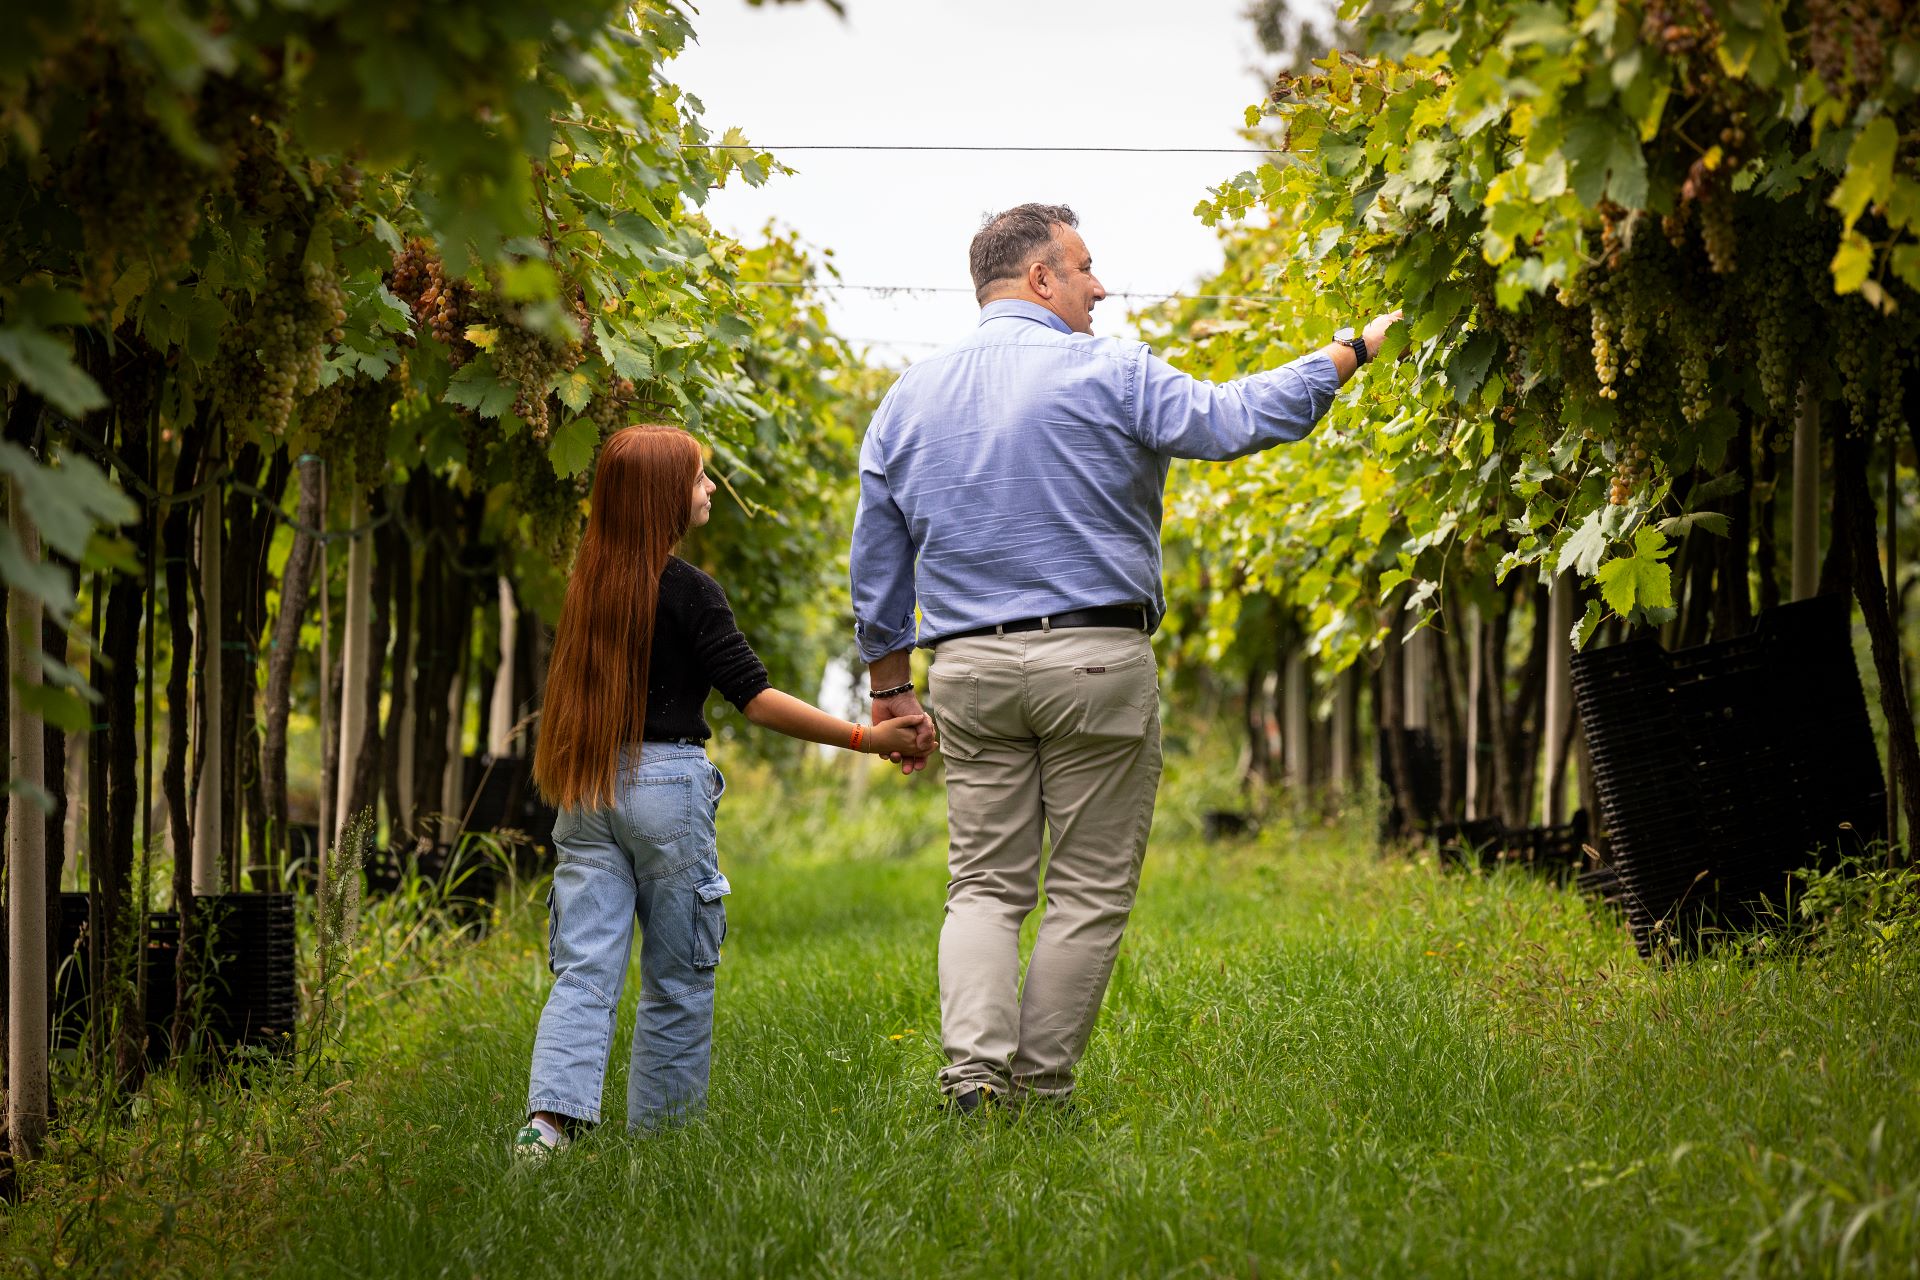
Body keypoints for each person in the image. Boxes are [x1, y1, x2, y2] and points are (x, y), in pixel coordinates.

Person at [850, 203, 1399, 1113]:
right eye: (1084, 267)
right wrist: (1351, 351)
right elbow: (1232, 422)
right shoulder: (1109, 369)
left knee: (984, 885)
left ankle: (973, 1078)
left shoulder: (908, 397)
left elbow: (878, 559)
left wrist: (892, 693)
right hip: (1097, 663)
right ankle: (1042, 1088)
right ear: (1039, 278)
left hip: (970, 673)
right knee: (1088, 887)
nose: (1100, 287)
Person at [514, 423, 933, 1156]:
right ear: (661, 497)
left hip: (584, 788)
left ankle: (547, 1130)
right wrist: (865, 738)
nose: (709, 488)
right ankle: (663, 1146)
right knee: (677, 974)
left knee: (584, 970)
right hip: (666, 792)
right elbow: (756, 697)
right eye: (700, 477)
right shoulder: (690, 591)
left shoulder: (589, 583)